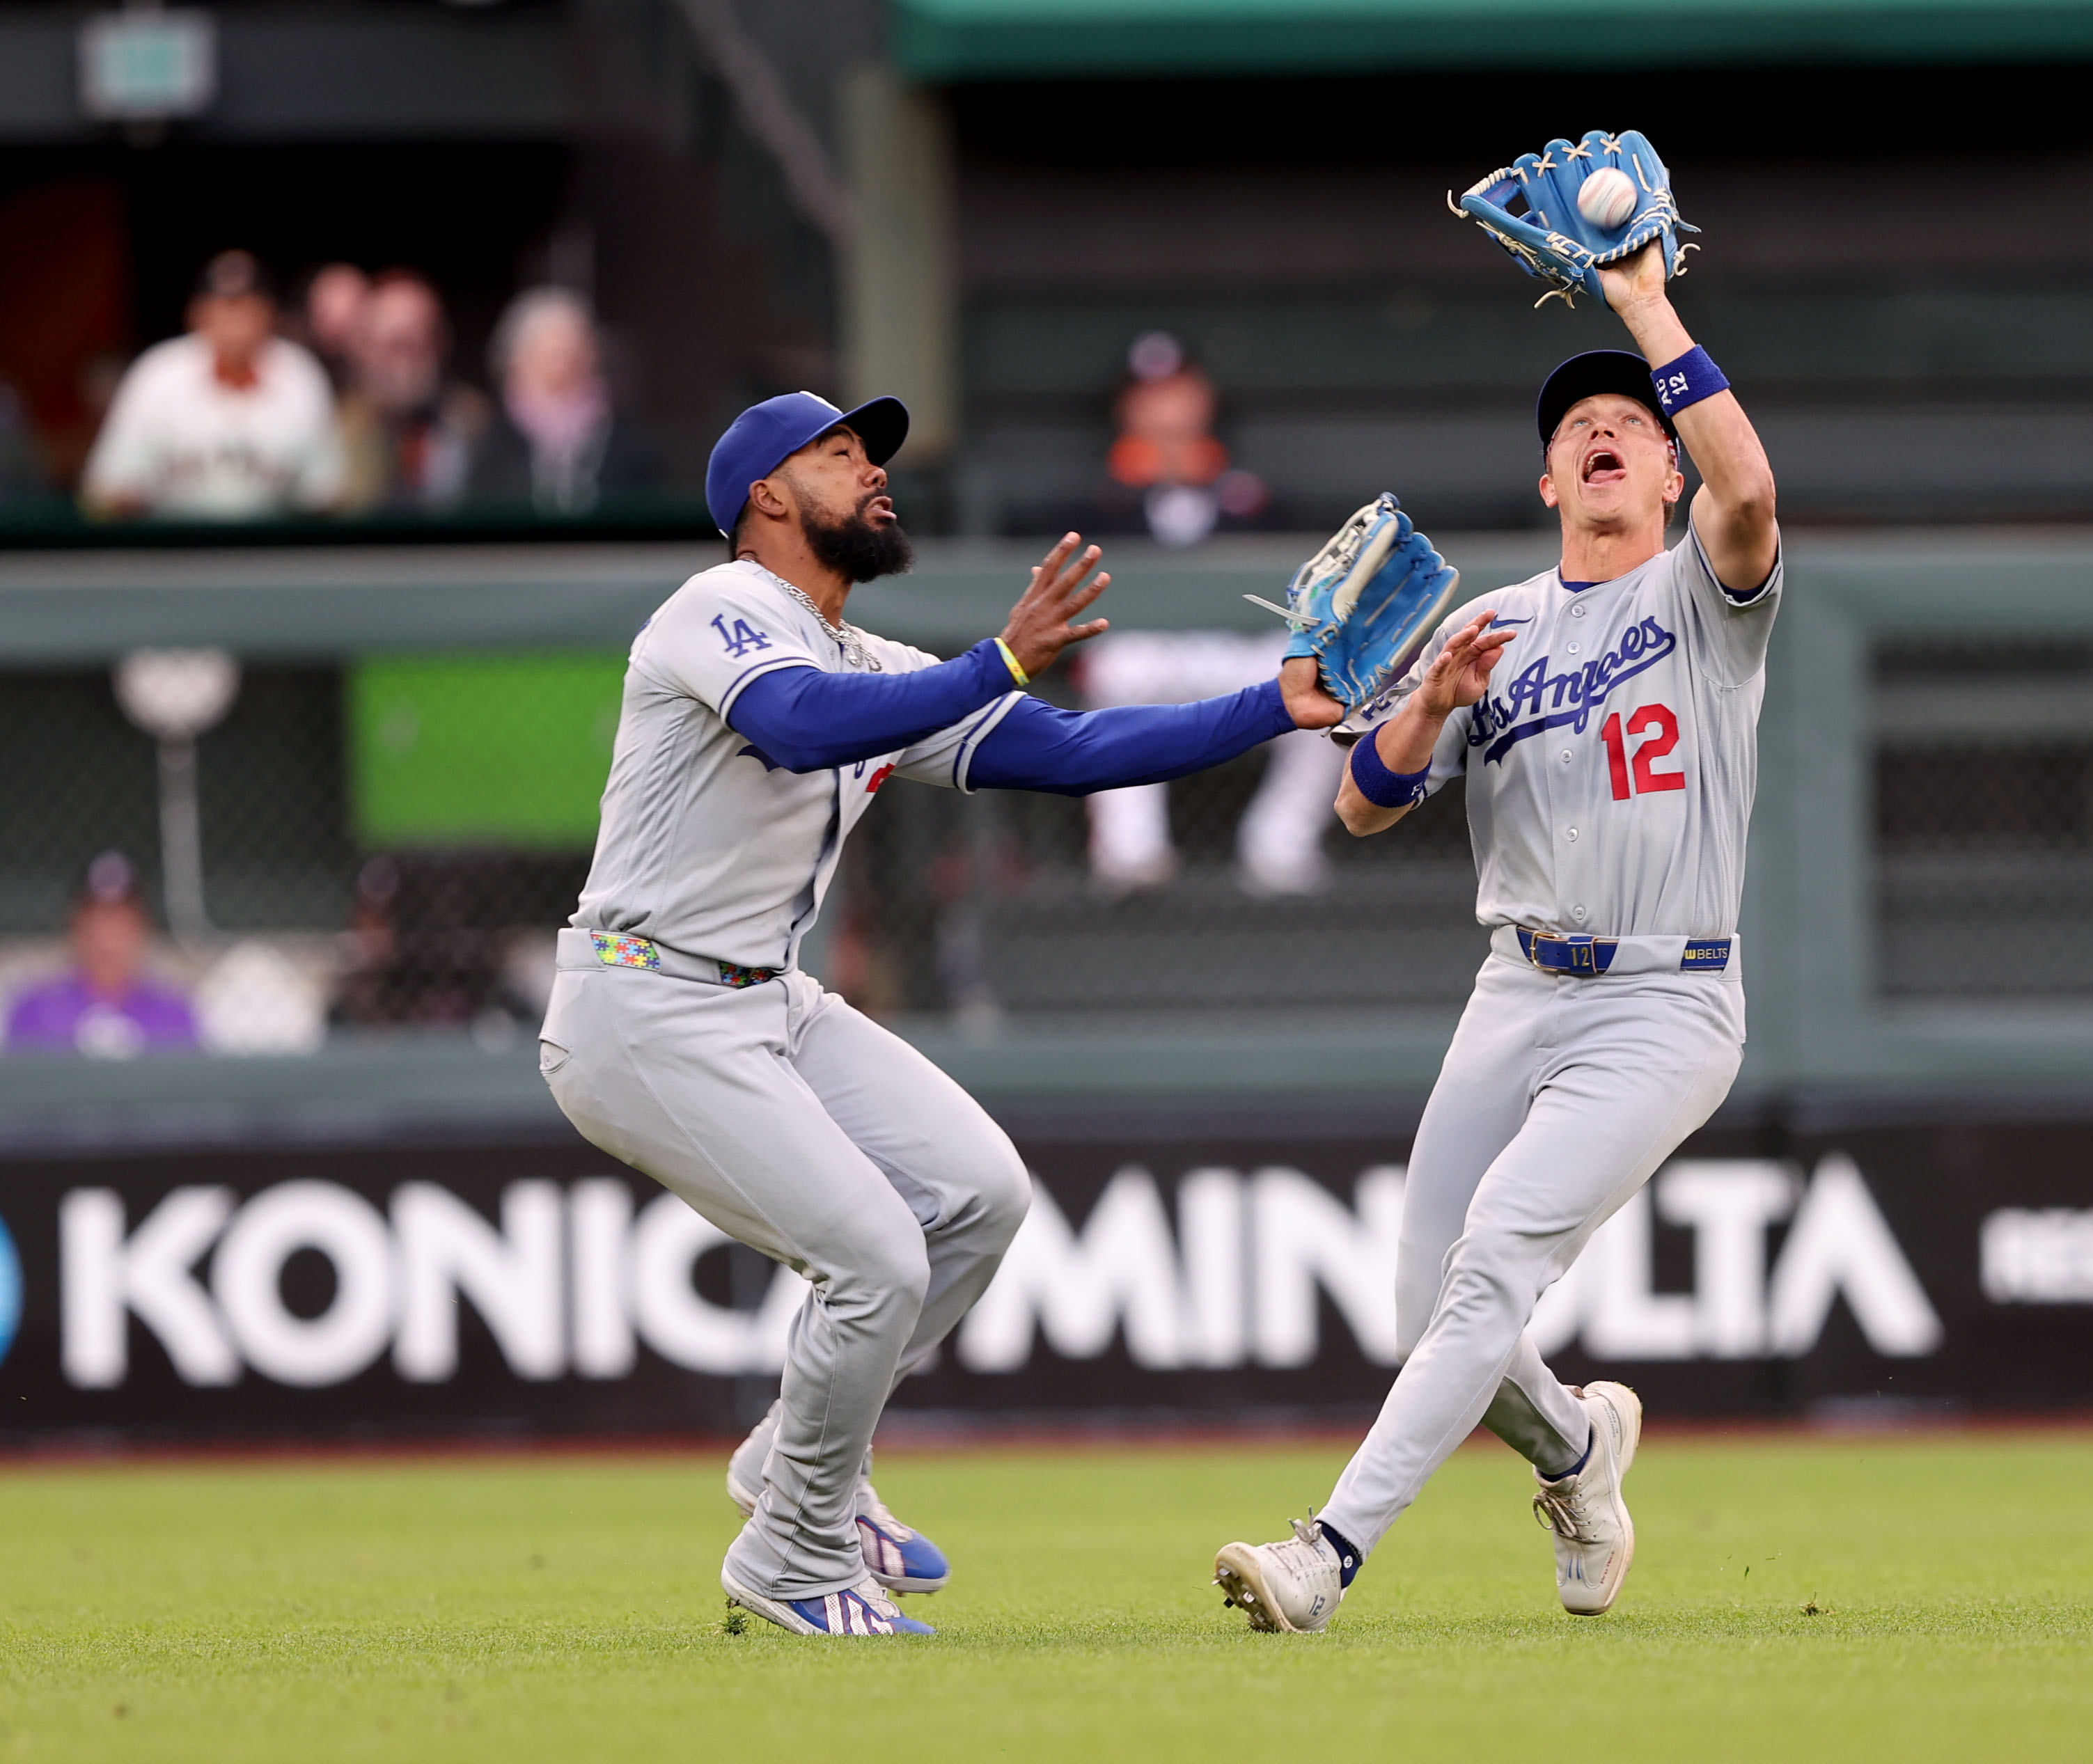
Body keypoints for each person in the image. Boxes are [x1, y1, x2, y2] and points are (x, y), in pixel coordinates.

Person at [538, 389, 1342, 1639]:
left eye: (874, 456)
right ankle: (794, 1547)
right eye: (842, 455)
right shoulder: (715, 609)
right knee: (872, 1256)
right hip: (642, 998)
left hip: (764, 993)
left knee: (978, 1193)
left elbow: (1069, 748)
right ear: (764, 496)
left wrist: (1267, 705)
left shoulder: (872, 659)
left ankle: (792, 1462)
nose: (874, 473)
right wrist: (998, 658)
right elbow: (796, 726)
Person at [1213, 242, 1783, 1632]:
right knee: (1429, 1307)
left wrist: (1642, 303)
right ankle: (1582, 1458)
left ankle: (1324, 1554)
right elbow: (1359, 803)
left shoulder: (1707, 598)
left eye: (1633, 424)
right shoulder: (1487, 625)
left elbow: (1753, 493)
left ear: (1667, 476)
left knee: (1489, 1269)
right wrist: (1424, 705)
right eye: (1574, 428)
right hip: (1516, 985)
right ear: (1546, 482)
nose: (1601, 431)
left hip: (1665, 998)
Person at [79, 251, 345, 520]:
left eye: (247, 307)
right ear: (196, 315)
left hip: (273, 553)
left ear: (270, 315)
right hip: (174, 550)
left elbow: (328, 495)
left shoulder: (301, 376)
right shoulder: (158, 374)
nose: (235, 322)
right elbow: (107, 490)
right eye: (223, 307)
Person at [1078, 631, 1346, 895]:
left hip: (1255, 651)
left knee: (1323, 686)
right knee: (1119, 669)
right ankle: (1132, 855)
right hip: (1160, 650)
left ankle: (1281, 850)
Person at [469, 287, 658, 517]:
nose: (564, 368)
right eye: (551, 357)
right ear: (517, 363)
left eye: (573, 355)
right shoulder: (490, 441)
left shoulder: (627, 441)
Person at [4, 854, 198, 1057]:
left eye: (121, 922)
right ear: (75, 925)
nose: (107, 937)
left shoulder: (173, 1014)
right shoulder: (37, 1011)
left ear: (143, 927)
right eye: (97, 921)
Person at [336, 271, 489, 514]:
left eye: (415, 345)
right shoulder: (334, 430)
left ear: (440, 344)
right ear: (361, 347)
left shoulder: (476, 424)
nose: (402, 365)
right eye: (391, 345)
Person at [1098, 331, 1267, 546]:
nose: (1167, 409)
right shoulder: (1096, 505)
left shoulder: (1249, 499)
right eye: (1151, 393)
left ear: (1206, 398)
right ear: (1123, 406)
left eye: (1178, 389)